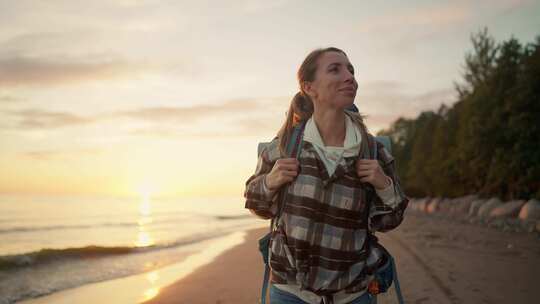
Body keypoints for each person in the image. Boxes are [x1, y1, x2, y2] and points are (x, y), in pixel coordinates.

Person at [244, 47, 409, 304]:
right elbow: (256, 204)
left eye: (351, 70)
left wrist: (384, 184)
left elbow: (390, 221)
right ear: (309, 87)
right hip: (290, 293)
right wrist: (270, 181)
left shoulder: (371, 151)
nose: (349, 76)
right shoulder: (286, 145)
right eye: (335, 69)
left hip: (354, 294)